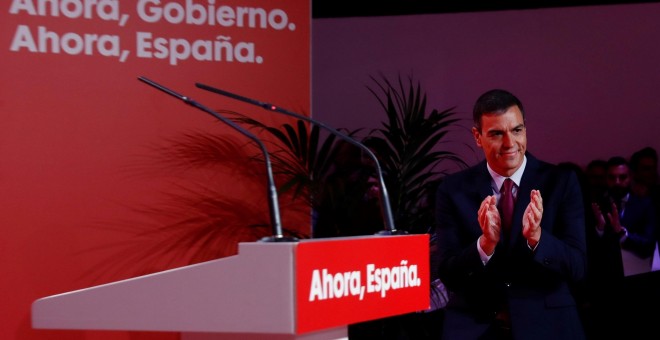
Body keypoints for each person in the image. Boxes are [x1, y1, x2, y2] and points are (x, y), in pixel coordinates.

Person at [433, 89, 587, 340]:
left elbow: (578, 268)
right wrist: (484, 246)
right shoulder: (453, 190)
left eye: (516, 130)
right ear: (477, 136)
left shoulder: (561, 182)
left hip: (548, 327)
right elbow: (448, 274)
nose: (509, 144)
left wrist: (537, 238)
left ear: (525, 128)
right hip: (475, 329)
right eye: (496, 133)